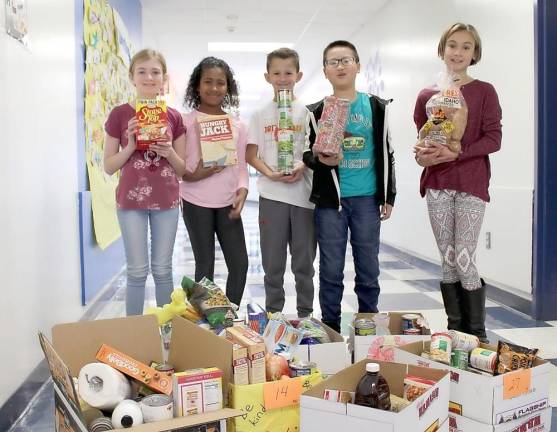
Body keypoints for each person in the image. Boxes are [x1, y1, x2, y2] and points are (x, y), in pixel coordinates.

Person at [414, 23, 502, 342]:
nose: (458, 52)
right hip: (437, 183)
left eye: (467, 46)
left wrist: (458, 152)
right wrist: (423, 155)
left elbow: (494, 139)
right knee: (447, 259)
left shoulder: (484, 92)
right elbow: (425, 141)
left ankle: (477, 335)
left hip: (471, 183)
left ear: (474, 53)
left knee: (464, 255)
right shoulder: (428, 95)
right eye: (453, 45)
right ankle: (456, 332)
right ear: (442, 49)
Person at [303, 40, 396, 333]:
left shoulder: (375, 106)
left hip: (368, 200)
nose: (340, 66)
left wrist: (388, 195)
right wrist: (320, 158)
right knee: (330, 271)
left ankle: (368, 330)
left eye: (346, 60)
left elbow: (387, 152)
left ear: (357, 65)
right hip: (332, 202)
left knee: (368, 269)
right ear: (325, 72)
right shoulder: (316, 111)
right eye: (333, 62)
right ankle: (330, 329)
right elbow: (305, 154)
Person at [104, 48, 187, 315]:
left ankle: (167, 331)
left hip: (167, 200)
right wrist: (129, 146)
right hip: (130, 201)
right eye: (142, 71)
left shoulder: (173, 116)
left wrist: (168, 151)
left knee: (163, 269)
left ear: (163, 78)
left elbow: (182, 169)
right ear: (132, 77)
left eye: (155, 72)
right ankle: (135, 332)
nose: (149, 77)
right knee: (137, 270)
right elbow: (108, 166)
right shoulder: (119, 115)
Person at [246, 48, 316, 318]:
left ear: (298, 75)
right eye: (277, 73)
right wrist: (270, 172)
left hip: (304, 197)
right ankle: (274, 313)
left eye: (288, 73)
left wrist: (302, 165)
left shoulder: (308, 113)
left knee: (304, 262)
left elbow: (315, 151)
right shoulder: (260, 114)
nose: (283, 78)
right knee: (272, 262)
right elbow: (251, 154)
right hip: (272, 195)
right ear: (267, 76)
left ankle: (305, 314)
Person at [180, 57, 249, 306]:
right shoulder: (185, 122)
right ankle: (204, 320)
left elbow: (241, 166)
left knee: (240, 264)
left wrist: (243, 189)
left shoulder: (238, 125)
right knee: (205, 265)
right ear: (197, 86)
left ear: (228, 88)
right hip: (195, 200)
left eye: (221, 83)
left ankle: (230, 317)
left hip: (228, 202)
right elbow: (179, 167)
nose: (214, 87)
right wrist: (195, 174)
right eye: (208, 81)